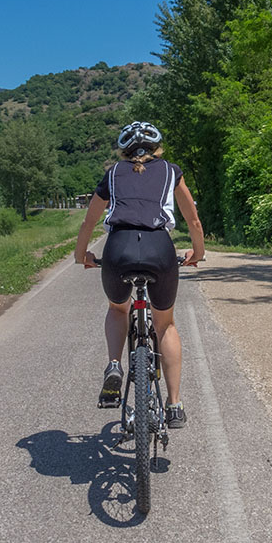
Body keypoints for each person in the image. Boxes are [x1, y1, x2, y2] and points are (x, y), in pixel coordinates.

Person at [74, 121, 205, 428]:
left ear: (123, 151)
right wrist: (197, 253)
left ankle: (115, 364)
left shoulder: (113, 174)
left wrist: (82, 256)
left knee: (118, 308)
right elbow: (193, 221)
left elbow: (88, 222)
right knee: (165, 324)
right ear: (158, 148)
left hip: (118, 248)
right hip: (159, 249)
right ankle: (174, 405)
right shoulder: (172, 171)